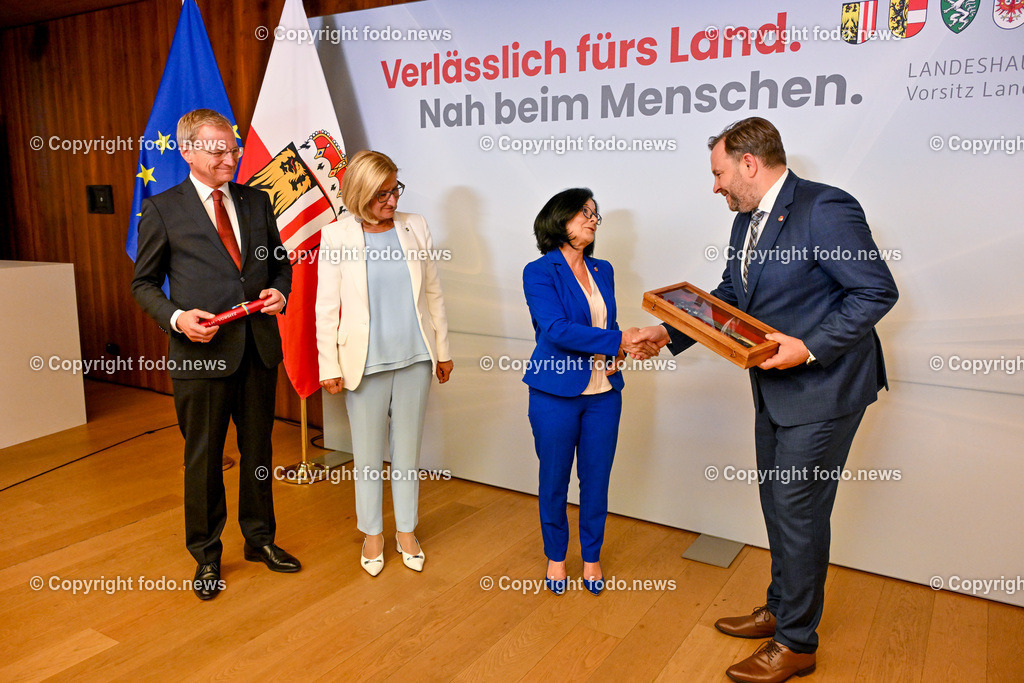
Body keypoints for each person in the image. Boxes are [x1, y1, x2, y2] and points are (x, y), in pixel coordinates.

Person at [638, 117, 898, 682]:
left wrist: (809, 348)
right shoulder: (746, 221)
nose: (715, 186)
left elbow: (876, 289)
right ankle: (781, 608)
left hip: (824, 389)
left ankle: (797, 643)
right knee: (779, 504)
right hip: (775, 388)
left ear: (749, 165)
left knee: (799, 512)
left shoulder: (825, 208)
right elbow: (734, 296)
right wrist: (666, 333)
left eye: (718, 173)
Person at [131, 108, 300, 601]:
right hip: (199, 356)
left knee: (260, 453)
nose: (231, 157)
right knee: (203, 458)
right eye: (218, 150)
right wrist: (177, 318)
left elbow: (279, 263)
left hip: (257, 349)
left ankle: (260, 540)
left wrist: (280, 293)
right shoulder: (163, 209)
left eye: (233, 148)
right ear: (187, 150)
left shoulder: (256, 200)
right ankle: (206, 555)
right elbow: (143, 283)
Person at [315, 150, 452, 577]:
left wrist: (443, 350)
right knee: (369, 456)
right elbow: (326, 307)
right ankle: (373, 534)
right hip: (363, 362)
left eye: (395, 190)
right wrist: (328, 365)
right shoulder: (336, 236)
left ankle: (406, 531)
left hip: (415, 357)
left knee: (407, 452)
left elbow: (433, 293)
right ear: (359, 193)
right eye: (381, 195)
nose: (392, 201)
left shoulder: (415, 226)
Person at [523, 188, 662, 596]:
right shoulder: (539, 271)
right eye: (585, 212)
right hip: (554, 393)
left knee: (596, 480)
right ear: (559, 218)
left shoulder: (604, 269)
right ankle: (555, 557)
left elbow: (603, 330)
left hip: (605, 393)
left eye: (595, 215)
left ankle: (592, 557)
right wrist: (621, 339)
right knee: (554, 480)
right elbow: (557, 329)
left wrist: (621, 350)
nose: (593, 219)